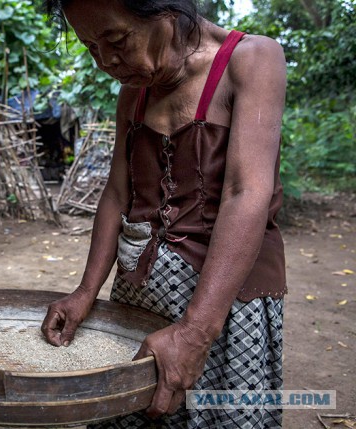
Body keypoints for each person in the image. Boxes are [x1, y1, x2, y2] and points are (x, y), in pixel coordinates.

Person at [39, 0, 287, 427]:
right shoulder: (132, 93)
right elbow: (118, 195)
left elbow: (246, 192)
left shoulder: (251, 59)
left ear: (166, 11)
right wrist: (85, 292)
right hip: (140, 297)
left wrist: (195, 333)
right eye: (92, 48)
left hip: (224, 308)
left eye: (116, 40)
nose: (106, 62)